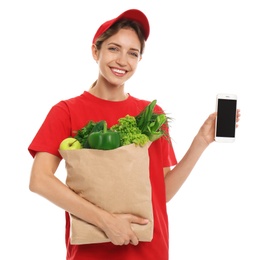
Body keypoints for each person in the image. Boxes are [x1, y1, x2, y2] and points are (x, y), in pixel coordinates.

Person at [28, 9, 240, 260]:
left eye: (133, 53)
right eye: (114, 48)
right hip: (92, 253)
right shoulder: (67, 111)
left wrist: (201, 142)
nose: (122, 61)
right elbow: (39, 180)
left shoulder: (151, 114)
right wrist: (107, 222)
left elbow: (162, 193)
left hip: (149, 250)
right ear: (95, 52)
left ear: (140, 59)